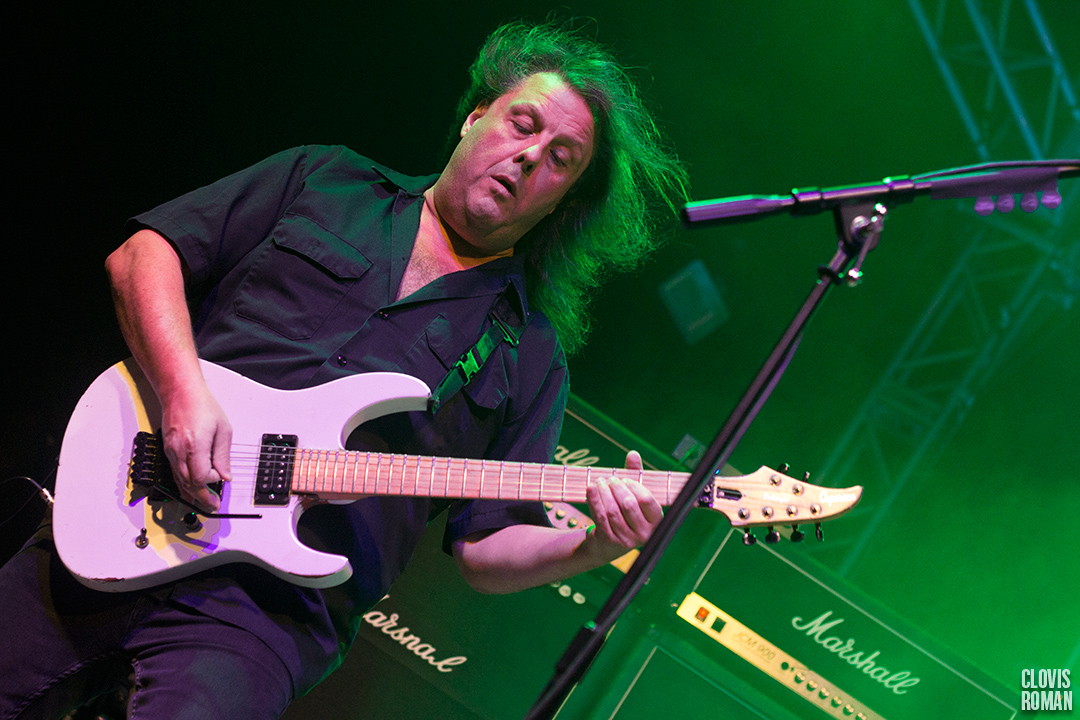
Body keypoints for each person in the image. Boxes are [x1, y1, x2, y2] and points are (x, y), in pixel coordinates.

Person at [0, 19, 688, 720]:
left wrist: (593, 545)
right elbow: (142, 257)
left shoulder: (530, 355)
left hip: (266, 618)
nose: (530, 155)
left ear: (564, 199)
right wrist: (183, 393)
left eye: (561, 158)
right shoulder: (325, 179)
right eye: (522, 124)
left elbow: (486, 548)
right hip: (125, 506)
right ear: (476, 116)